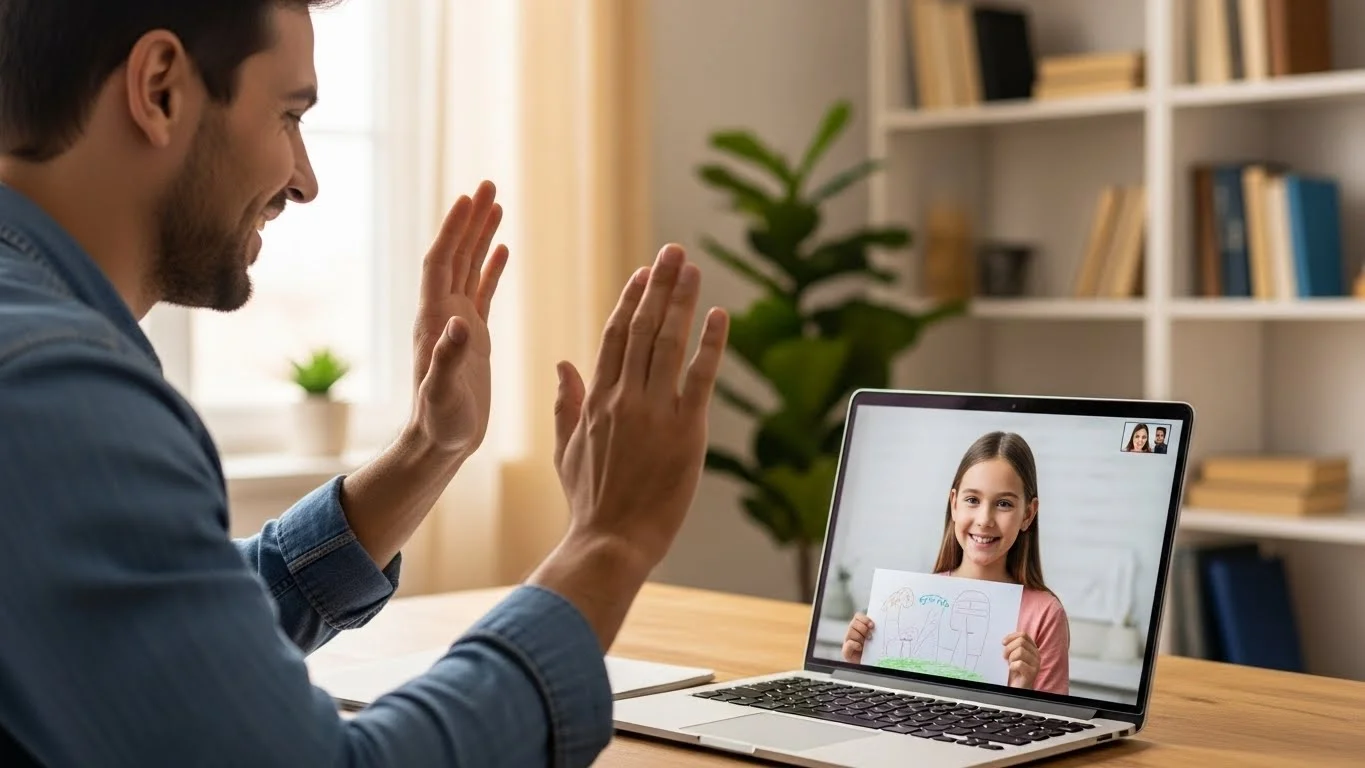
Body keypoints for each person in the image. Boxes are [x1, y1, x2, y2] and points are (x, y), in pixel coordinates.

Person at [0, 1, 728, 766]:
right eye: (288, 115)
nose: (304, 180)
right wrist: (609, 543)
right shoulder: (57, 391)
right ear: (159, 90)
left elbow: (155, 634)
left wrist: (426, 450)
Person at [840, 431, 1071, 695]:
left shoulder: (1045, 614)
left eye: (1004, 504)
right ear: (954, 504)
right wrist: (862, 667)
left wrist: (1024, 690)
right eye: (972, 500)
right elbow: (893, 704)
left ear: (1028, 515)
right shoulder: (921, 597)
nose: (985, 519)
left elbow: (1054, 727)